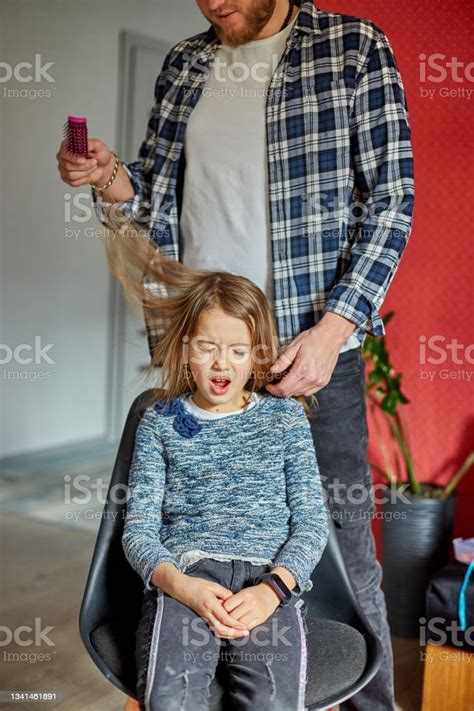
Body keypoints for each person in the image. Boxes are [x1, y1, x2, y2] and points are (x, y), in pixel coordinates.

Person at [57, 2, 415, 708]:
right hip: (205, 360)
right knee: (182, 522)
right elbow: (156, 207)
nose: (216, 0)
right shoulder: (185, 65)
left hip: (312, 353)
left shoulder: (352, 49)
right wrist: (109, 176)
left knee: (347, 548)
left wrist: (335, 328)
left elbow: (392, 202)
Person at [101, 224, 329, 710]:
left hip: (265, 582)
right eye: (207, 347)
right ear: (186, 347)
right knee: (172, 699)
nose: (221, 364)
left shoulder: (286, 419)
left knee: (270, 702)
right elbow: (137, 530)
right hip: (185, 579)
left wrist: (273, 590)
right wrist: (181, 585)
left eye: (238, 350)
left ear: (257, 356)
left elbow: (311, 523)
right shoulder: (159, 422)